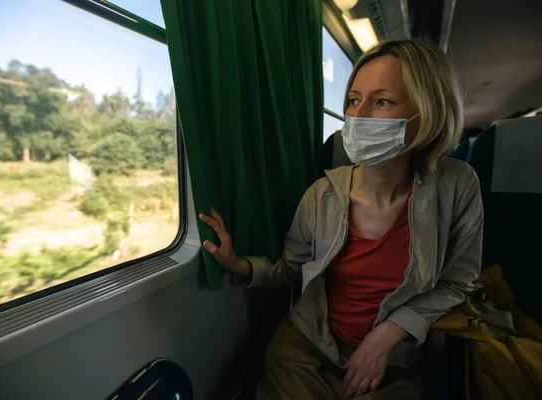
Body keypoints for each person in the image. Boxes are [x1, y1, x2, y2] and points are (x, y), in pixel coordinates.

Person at [200, 39, 483, 400]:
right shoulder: (321, 195)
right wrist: (239, 265)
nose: (358, 114)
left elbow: (457, 284)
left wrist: (388, 335)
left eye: (382, 101)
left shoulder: (456, 186)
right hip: (307, 348)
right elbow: (292, 270)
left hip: (392, 362)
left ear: (427, 112)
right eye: (353, 100)